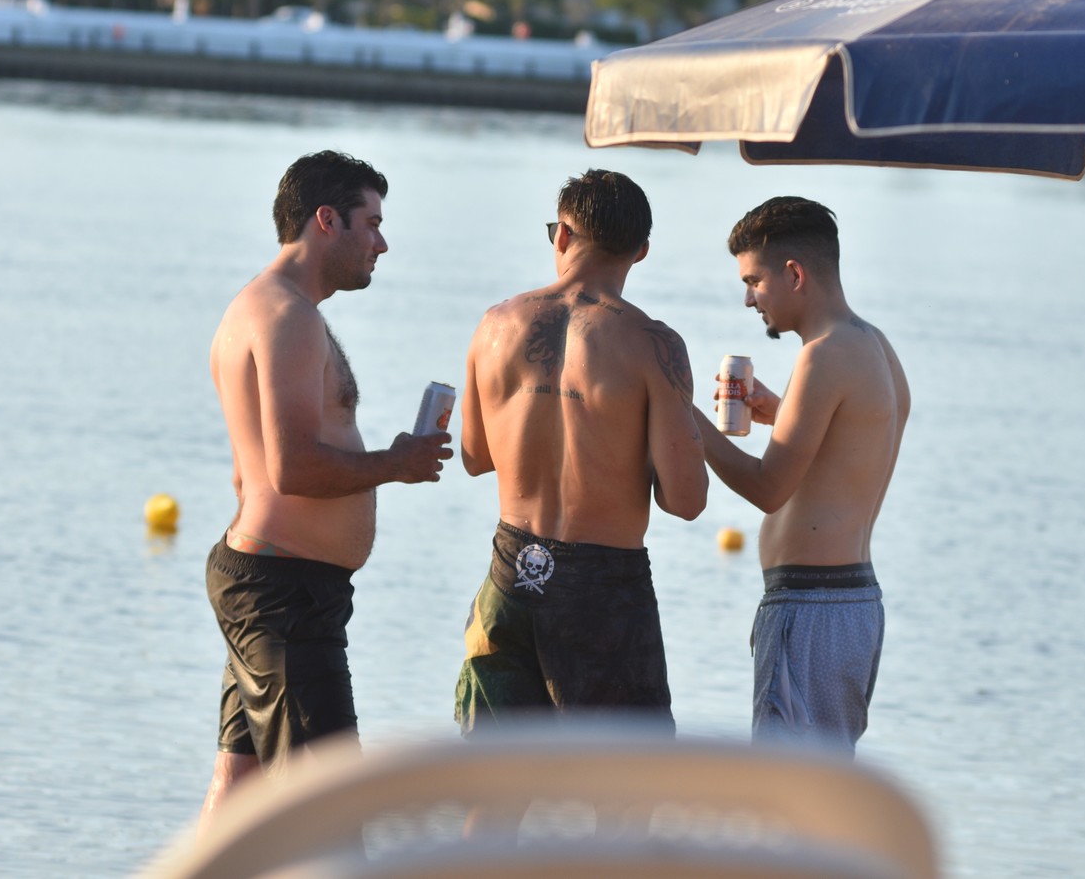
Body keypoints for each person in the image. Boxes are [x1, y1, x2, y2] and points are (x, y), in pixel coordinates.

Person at [198, 150, 452, 834]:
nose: (381, 242)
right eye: (371, 223)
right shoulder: (287, 318)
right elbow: (292, 470)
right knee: (330, 816)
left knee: (238, 800)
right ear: (326, 220)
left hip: (269, 580)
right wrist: (394, 463)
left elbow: (246, 472)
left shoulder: (258, 308)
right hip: (283, 595)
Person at [455, 168, 708, 735]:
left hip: (510, 576)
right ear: (641, 251)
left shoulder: (495, 324)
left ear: (563, 235)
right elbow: (686, 501)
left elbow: (474, 455)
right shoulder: (654, 345)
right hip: (605, 593)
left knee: (490, 798)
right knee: (623, 802)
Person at [695, 196, 910, 755]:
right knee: (822, 794)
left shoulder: (822, 356)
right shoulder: (874, 346)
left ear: (794, 274)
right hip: (853, 605)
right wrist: (783, 412)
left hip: (810, 610)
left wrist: (689, 422)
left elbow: (769, 489)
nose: (748, 299)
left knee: (785, 805)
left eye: (754, 281)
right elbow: (854, 450)